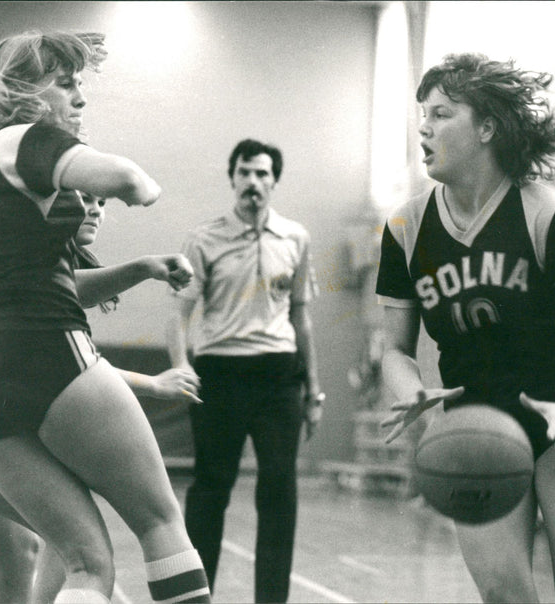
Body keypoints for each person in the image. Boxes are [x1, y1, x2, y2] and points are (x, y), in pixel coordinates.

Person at [0, 31, 210, 604]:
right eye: (65, 84)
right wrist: (146, 188)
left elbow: (47, 279)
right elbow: (130, 183)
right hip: (39, 347)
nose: (79, 100)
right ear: (23, 91)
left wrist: (137, 267)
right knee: (161, 523)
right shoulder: (27, 138)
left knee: (85, 560)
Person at [0, 191, 203, 604]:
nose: (96, 207)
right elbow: (75, 363)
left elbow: (70, 361)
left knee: (17, 552)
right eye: (86, 197)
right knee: (70, 537)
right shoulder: (26, 258)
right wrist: (142, 271)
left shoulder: (17, 258)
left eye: (103, 202)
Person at [376, 53, 555, 603]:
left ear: (486, 127)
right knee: (506, 597)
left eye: (442, 114)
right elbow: (395, 349)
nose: (424, 126)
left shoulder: (546, 215)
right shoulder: (405, 226)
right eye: (423, 114)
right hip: (475, 432)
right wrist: (410, 392)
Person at [165, 138, 323, 602]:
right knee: (212, 487)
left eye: (262, 174)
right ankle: (198, 595)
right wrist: (180, 367)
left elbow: (301, 317)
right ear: (232, 178)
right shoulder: (203, 239)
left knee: (280, 488)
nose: (253, 182)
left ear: (274, 181)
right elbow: (179, 315)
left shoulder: (296, 238)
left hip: (279, 377)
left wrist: (313, 390)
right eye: (245, 173)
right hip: (220, 374)